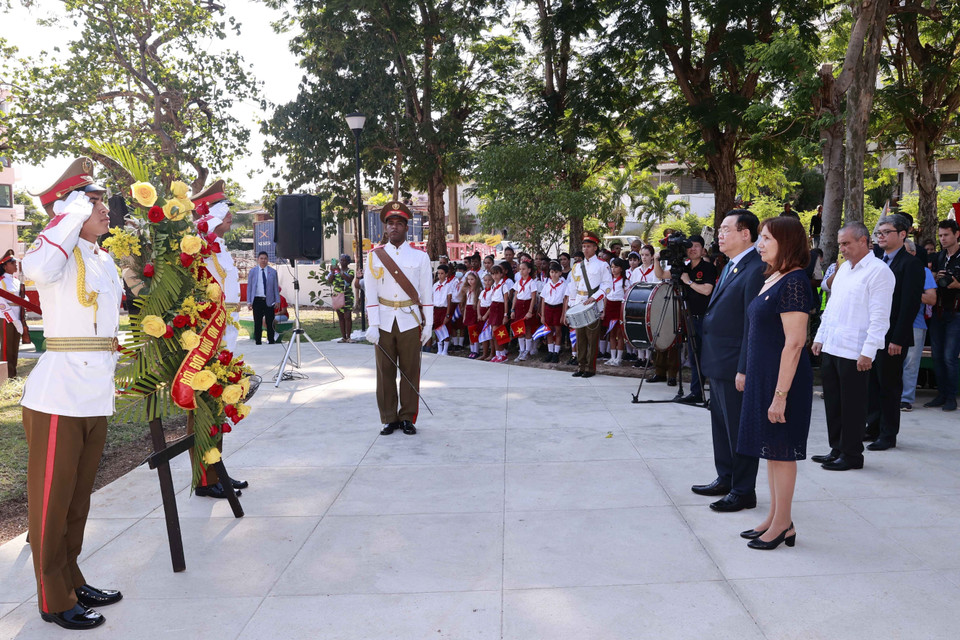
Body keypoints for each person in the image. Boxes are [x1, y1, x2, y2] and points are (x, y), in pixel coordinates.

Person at [21, 158, 122, 629]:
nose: (103, 208)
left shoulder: (102, 258)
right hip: (58, 396)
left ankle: (71, 579)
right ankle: (53, 597)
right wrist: (68, 214)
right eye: (92, 201)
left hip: (95, 392)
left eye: (100, 200)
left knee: (78, 501)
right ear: (70, 209)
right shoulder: (55, 254)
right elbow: (36, 269)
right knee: (52, 502)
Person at [737, 216, 813, 550]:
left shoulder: (795, 282)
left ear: (787, 242)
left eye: (767, 238)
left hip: (783, 381)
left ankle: (783, 524)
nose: (760, 244)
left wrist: (780, 395)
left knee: (782, 452)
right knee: (770, 450)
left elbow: (795, 343)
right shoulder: (774, 277)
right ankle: (774, 517)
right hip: (764, 378)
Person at [695, 210, 766, 513]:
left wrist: (744, 367)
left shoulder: (756, 268)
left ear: (745, 234)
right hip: (718, 360)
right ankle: (726, 477)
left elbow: (753, 324)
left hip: (735, 362)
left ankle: (743, 490)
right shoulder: (731, 265)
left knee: (739, 428)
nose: (720, 235)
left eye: (726, 229)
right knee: (721, 425)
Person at [811, 223, 894, 471]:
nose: (842, 249)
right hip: (833, 345)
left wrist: (868, 351)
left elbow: (880, 317)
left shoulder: (879, 272)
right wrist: (820, 337)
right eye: (840, 244)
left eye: (846, 243)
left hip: (856, 350)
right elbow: (832, 306)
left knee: (853, 406)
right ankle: (837, 449)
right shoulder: (844, 269)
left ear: (863, 241)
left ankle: (852, 454)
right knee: (834, 403)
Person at [191, 182, 248, 498]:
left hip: (226, 334)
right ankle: (204, 479)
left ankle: (218, 472)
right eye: (223, 212)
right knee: (204, 408)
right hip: (207, 337)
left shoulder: (221, 247)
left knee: (218, 406)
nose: (229, 217)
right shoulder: (197, 247)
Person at [364, 201, 433, 435]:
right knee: (384, 371)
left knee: (410, 370)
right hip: (383, 321)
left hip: (409, 320)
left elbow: (427, 293)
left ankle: (407, 418)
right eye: (390, 223)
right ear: (385, 228)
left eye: (399, 223)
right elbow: (371, 292)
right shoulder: (374, 256)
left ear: (406, 228)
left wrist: (429, 324)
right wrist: (373, 323)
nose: (394, 227)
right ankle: (389, 418)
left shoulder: (420, 257)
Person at [864, 215, 924, 450]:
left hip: (893, 336)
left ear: (902, 234)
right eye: (879, 233)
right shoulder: (877, 260)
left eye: (886, 232)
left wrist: (898, 338)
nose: (881, 237)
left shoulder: (910, 264)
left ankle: (888, 434)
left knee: (889, 385)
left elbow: (910, 305)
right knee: (872, 383)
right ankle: (873, 426)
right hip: (874, 333)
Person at [563, 232, 612, 378]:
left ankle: (590, 368)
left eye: (588, 246)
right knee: (580, 338)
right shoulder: (577, 266)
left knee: (592, 337)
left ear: (595, 248)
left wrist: (594, 297)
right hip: (579, 304)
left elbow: (608, 286)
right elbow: (572, 286)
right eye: (584, 246)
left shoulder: (602, 265)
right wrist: (572, 305)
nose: (585, 249)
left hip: (593, 305)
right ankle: (581, 366)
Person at [925, 219, 960, 411]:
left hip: (956, 312)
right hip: (938, 311)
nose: (942, 239)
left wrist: (957, 284)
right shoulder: (938, 257)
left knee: (949, 356)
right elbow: (929, 279)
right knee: (937, 356)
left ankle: (951, 397)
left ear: (957, 234)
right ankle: (941, 394)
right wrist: (935, 276)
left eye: (946, 235)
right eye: (940, 235)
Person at [900, 239, 937, 411]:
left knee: (910, 363)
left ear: (913, 253)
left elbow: (931, 298)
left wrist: (909, 293)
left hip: (915, 323)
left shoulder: (924, 272)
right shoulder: (889, 268)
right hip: (890, 323)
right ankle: (890, 397)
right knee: (890, 363)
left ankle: (906, 399)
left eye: (905, 251)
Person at [0, 252, 27, 378]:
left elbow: (21, 298)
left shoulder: (16, 281)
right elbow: (1, 302)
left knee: (15, 345)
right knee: (7, 347)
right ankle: (6, 375)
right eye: (12, 263)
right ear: (4, 266)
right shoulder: (1, 281)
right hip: (6, 317)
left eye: (15, 263)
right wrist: (13, 319)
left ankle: (13, 374)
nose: (15, 265)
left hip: (18, 316)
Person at [247, 251, 281, 345]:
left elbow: (275, 287)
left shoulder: (273, 272)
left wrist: (277, 300)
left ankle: (271, 341)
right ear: (258, 259)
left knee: (270, 322)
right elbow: (249, 287)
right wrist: (249, 301)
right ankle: (258, 341)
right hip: (257, 300)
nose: (263, 260)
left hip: (269, 300)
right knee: (257, 322)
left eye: (265, 258)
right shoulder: (253, 271)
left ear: (268, 260)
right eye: (261, 258)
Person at [510, 260, 540, 361]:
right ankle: (521, 350)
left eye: (523, 269)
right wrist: (512, 310)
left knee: (527, 329)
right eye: (520, 269)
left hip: (527, 306)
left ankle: (527, 350)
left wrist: (530, 311)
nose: (521, 271)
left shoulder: (532, 283)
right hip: (519, 306)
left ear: (529, 270)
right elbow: (515, 296)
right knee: (519, 329)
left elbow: (533, 298)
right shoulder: (518, 282)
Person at [539, 261, 566, 363]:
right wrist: (542, 315)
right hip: (548, 308)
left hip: (558, 308)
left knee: (558, 331)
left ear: (560, 273)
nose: (553, 274)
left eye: (556, 272)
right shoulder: (547, 285)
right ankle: (550, 351)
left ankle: (556, 352)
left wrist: (563, 315)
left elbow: (565, 301)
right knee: (549, 331)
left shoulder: (563, 285)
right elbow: (543, 300)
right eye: (552, 272)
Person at [325, 253, 355, 343]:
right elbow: (329, 281)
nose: (342, 262)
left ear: (348, 262)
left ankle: (348, 337)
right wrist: (332, 272)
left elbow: (349, 279)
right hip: (337, 297)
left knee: (347, 316)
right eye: (341, 260)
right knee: (341, 317)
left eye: (344, 260)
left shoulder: (350, 271)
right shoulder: (335, 272)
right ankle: (343, 337)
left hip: (347, 296)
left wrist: (340, 271)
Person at [604, 257, 628, 365]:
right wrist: (604, 311)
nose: (613, 270)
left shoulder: (625, 281)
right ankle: (612, 357)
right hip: (610, 306)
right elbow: (605, 296)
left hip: (619, 306)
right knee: (611, 333)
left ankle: (619, 358)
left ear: (621, 268)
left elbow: (626, 296)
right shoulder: (608, 281)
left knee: (620, 333)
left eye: (616, 267)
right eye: (612, 267)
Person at [431, 264, 453, 355]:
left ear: (446, 274)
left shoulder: (448, 285)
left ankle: (445, 349)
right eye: (438, 273)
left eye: (442, 273)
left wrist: (448, 314)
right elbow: (432, 298)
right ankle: (439, 349)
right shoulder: (435, 285)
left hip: (444, 309)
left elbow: (449, 300)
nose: (440, 275)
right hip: (436, 309)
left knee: (445, 328)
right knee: (437, 328)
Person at [460, 271, 482, 359]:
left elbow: (479, 303)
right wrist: (464, 316)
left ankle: (476, 350)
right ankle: (472, 350)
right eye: (468, 279)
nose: (470, 281)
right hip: (468, 310)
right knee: (470, 331)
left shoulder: (479, 290)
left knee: (474, 331)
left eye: (472, 279)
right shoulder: (467, 290)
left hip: (474, 310)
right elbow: (466, 304)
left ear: (476, 279)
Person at [478, 273, 495, 361]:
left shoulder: (493, 291)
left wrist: (486, 315)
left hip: (489, 313)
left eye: (489, 280)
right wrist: (479, 314)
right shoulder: (482, 292)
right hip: (482, 312)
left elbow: (492, 305)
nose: (487, 282)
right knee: (483, 334)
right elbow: (479, 303)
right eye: (485, 280)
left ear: (492, 281)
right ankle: (484, 353)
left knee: (490, 335)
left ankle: (492, 353)